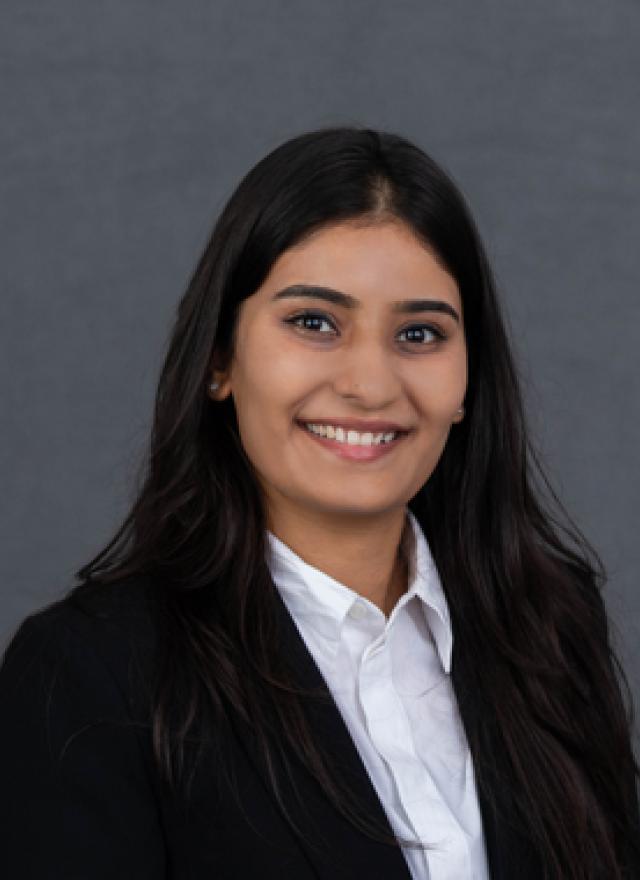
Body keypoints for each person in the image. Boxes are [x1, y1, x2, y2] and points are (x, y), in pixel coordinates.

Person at [0, 127, 638, 880]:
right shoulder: (90, 677)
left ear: (469, 380)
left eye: (420, 333)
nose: (370, 385)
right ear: (219, 360)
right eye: (313, 323)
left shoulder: (549, 627)